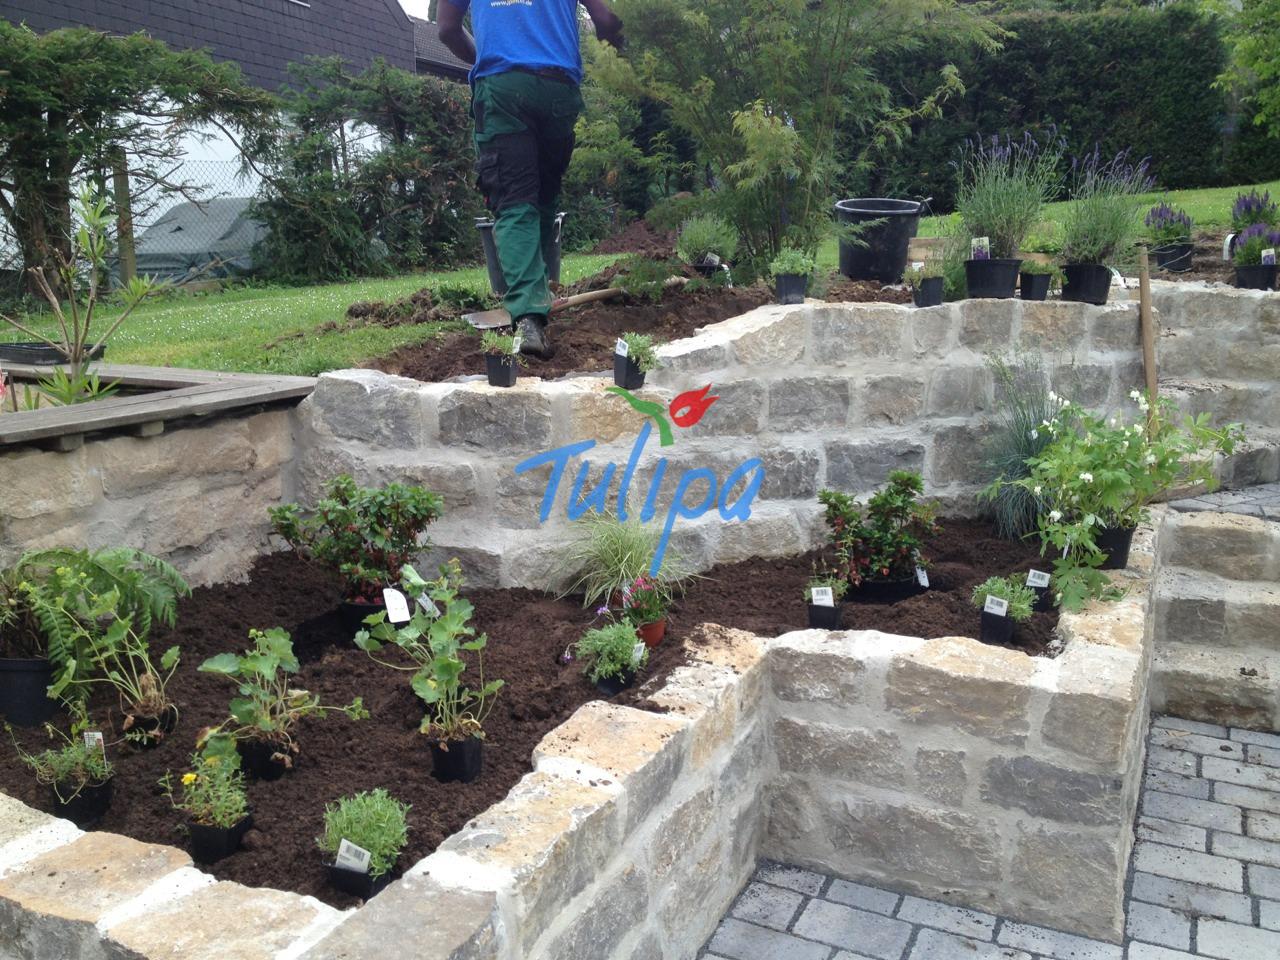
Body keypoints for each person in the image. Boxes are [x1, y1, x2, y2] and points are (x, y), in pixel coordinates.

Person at [439, 0, 624, 359]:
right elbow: (604, 18)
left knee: (514, 200)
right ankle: (538, 293)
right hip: (559, 86)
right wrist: (614, 53)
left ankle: (529, 317)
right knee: (542, 198)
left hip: (503, 86)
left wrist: (487, 56)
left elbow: (447, 29)